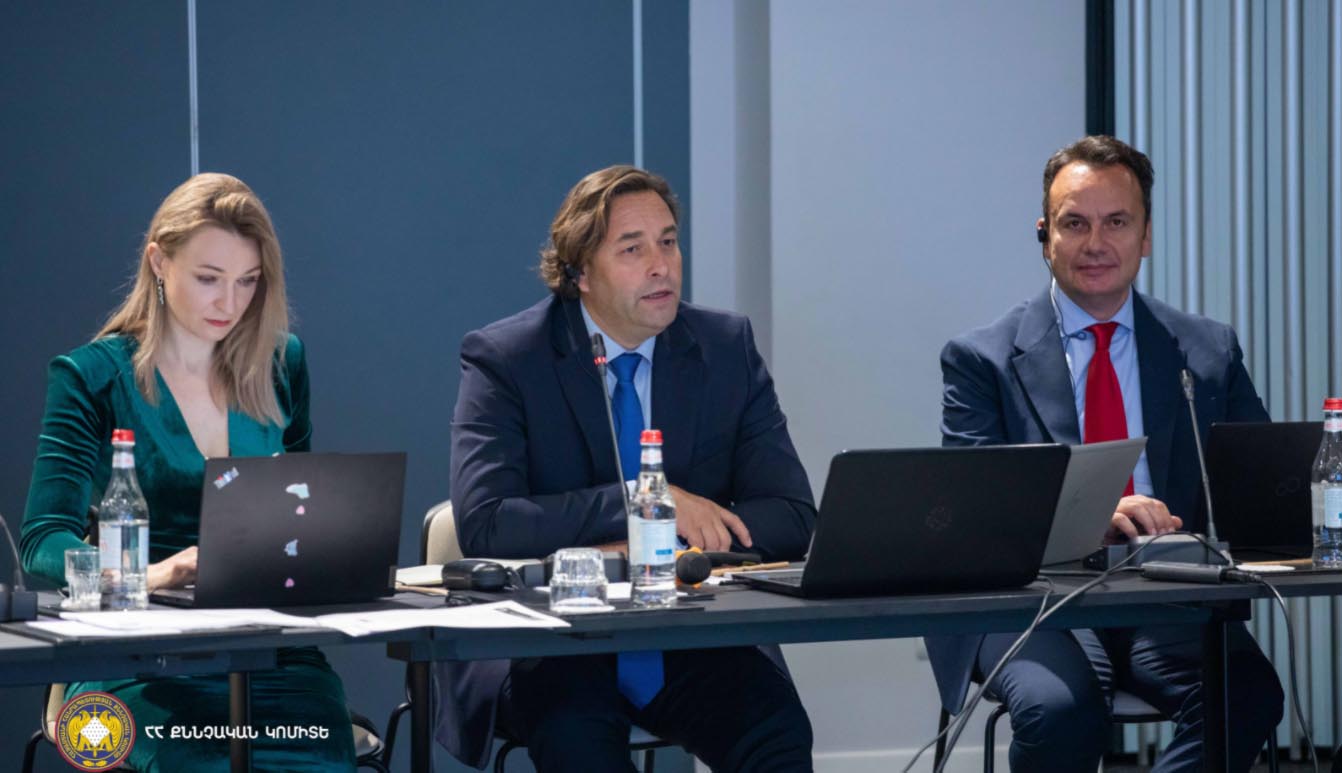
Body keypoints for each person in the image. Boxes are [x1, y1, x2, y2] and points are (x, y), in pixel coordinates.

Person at [435, 165, 816, 772]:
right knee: (578, 739)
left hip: (689, 633)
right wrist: (647, 502)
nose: (661, 266)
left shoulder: (724, 347)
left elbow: (792, 516)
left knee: (778, 731)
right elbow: (488, 522)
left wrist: (674, 545)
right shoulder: (507, 358)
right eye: (632, 249)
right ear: (580, 273)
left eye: (668, 242)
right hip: (555, 639)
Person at [925, 135, 1284, 772]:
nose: (1096, 243)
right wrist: (1093, 514)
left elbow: (1259, 489)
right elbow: (978, 512)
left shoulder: (1206, 351)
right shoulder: (981, 359)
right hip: (1033, 603)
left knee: (1247, 695)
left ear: (1145, 236)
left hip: (1162, 595)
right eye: (1075, 224)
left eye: (1117, 222)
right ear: (1044, 236)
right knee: (1061, 708)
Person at [20, 173, 355, 771]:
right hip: (136, 656)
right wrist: (147, 574)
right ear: (159, 261)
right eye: (209, 279)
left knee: (312, 758)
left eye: (248, 281)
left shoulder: (281, 362)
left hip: (271, 652)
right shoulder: (92, 376)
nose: (230, 303)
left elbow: (301, 508)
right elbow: (43, 540)